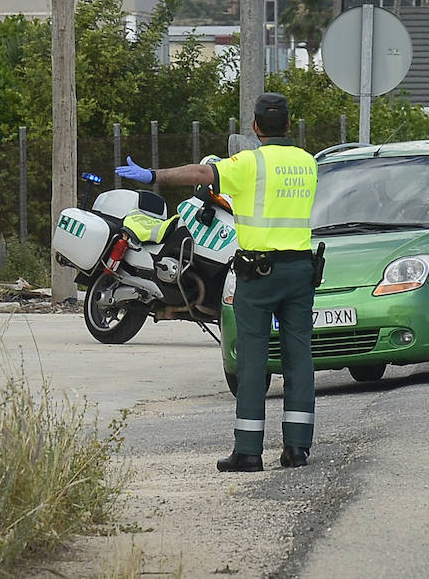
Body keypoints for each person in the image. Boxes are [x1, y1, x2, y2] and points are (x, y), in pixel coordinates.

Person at [116, 92, 320, 470]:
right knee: (298, 358)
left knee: (253, 360)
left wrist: (153, 176)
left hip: (259, 275)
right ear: (289, 125)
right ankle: (297, 449)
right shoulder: (308, 163)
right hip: (300, 272)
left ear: (256, 127)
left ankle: (248, 452)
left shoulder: (249, 162)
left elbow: (200, 173)